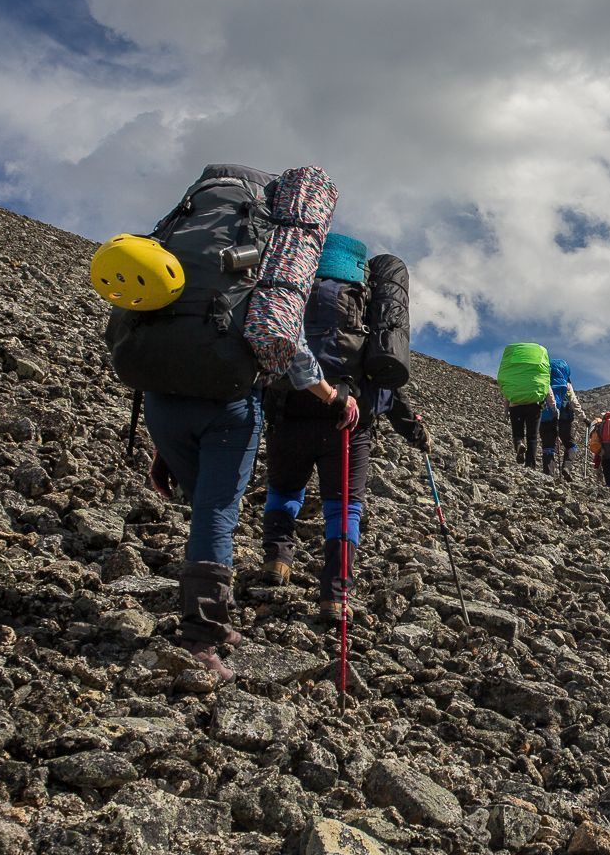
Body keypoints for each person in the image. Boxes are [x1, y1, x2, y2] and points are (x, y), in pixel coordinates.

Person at [138, 167, 337, 681]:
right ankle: (202, 638)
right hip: (228, 403)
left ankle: (208, 619)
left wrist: (162, 446)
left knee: (201, 505)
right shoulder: (270, 250)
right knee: (216, 514)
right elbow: (281, 335)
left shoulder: (185, 238)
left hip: (160, 399)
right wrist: (328, 393)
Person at [260, 232, 431, 622]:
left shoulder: (290, 300)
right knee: (344, 507)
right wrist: (414, 431)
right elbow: (385, 373)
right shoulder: (367, 313)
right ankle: (334, 596)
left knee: (285, 489)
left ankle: (277, 559)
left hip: (288, 413)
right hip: (348, 424)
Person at [540, 357, 580, 477]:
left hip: (545, 418)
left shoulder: (543, 381)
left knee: (548, 447)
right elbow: (574, 403)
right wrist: (584, 418)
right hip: (564, 420)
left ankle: (549, 475)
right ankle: (566, 468)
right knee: (570, 445)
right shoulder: (566, 385)